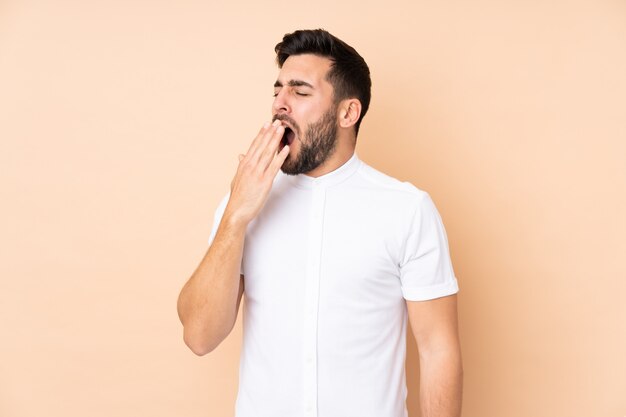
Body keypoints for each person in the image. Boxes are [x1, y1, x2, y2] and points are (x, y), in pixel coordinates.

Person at [177, 29, 463, 417]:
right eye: (277, 90)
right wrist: (235, 216)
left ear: (348, 112)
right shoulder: (241, 202)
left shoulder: (407, 210)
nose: (280, 103)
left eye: (300, 91)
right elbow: (198, 336)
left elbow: (437, 350)